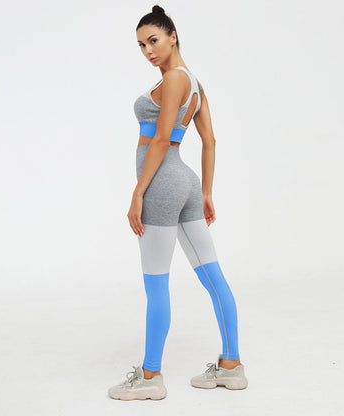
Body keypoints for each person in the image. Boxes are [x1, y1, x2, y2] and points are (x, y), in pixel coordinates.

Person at [108, 5, 248, 401]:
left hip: (162, 186)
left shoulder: (173, 79)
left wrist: (138, 193)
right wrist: (205, 192)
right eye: (141, 45)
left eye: (153, 40)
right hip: (185, 183)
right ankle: (232, 366)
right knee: (212, 275)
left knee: (156, 285)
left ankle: (150, 377)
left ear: (173, 36)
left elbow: (160, 139)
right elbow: (210, 140)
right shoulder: (195, 83)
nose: (148, 50)